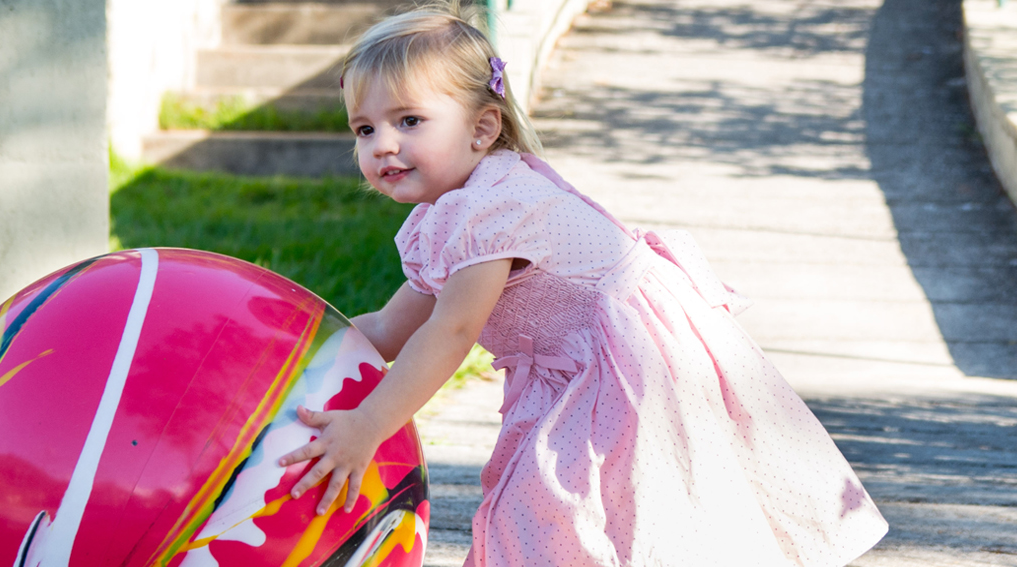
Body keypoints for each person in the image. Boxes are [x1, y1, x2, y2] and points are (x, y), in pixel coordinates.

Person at [275, 5, 890, 566]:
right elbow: (389, 327)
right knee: (563, 514)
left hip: (631, 369)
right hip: (586, 368)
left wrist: (369, 424)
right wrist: (284, 347)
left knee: (577, 509)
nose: (384, 144)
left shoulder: (494, 207)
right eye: (364, 129)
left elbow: (452, 331)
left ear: (483, 129)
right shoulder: (450, 215)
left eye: (409, 121)